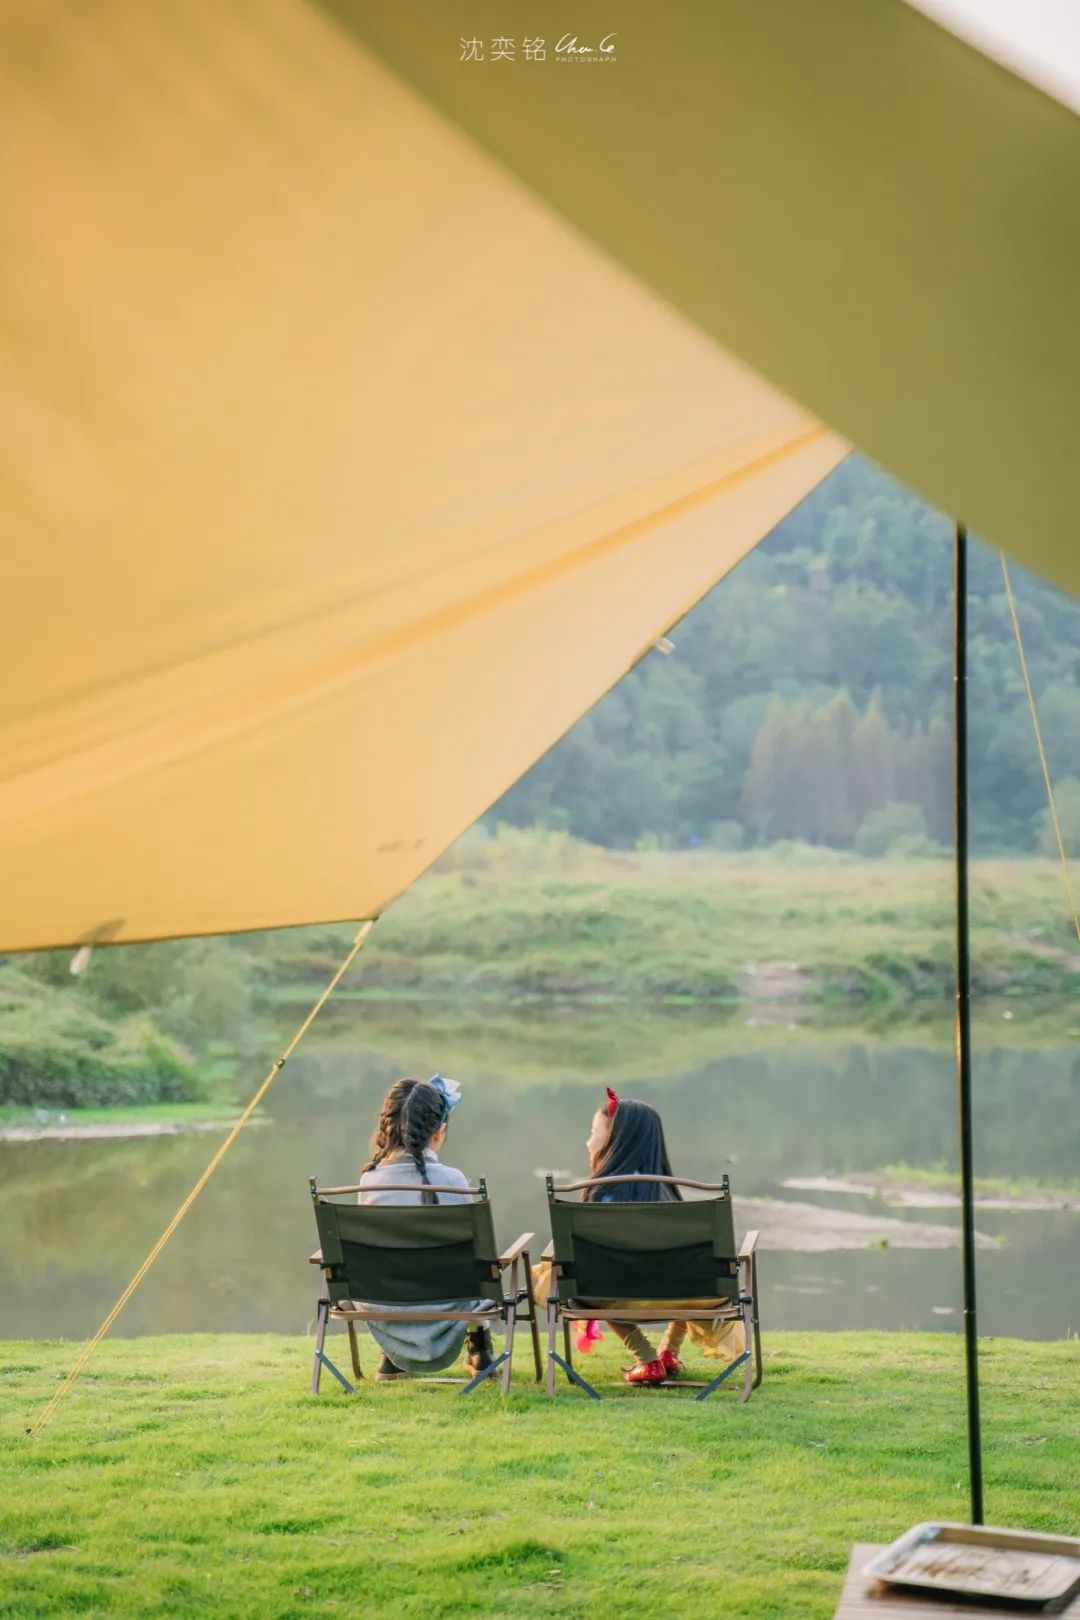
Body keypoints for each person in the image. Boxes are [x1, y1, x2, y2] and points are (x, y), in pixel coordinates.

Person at [583, 1087, 745, 1386]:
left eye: (594, 1132)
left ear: (614, 1140)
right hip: (686, 1294)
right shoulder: (669, 1193)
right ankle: (669, 1351)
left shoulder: (603, 1192)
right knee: (679, 1270)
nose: (587, 1141)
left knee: (588, 1277)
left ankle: (647, 1360)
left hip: (616, 1295)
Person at [356, 1074, 494, 1383]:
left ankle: (391, 1356)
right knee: (480, 1265)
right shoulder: (454, 1181)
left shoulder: (370, 1181)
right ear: (439, 1131)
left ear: (387, 1128)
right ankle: (480, 1350)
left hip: (385, 1301)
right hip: (449, 1303)